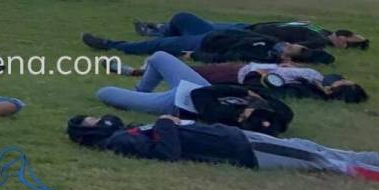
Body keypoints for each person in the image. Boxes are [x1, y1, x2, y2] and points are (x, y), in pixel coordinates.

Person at [66, 114, 379, 187]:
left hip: (237, 138)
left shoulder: (128, 132)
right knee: (324, 164)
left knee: (309, 146)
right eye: (89, 121)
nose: (97, 118)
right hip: (244, 152)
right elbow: (166, 153)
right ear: (90, 134)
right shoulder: (122, 142)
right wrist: (169, 124)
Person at [93, 51, 293, 134]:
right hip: (199, 85)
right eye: (246, 110)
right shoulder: (279, 115)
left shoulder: (223, 117)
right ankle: (140, 90)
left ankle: (137, 97)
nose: (241, 111)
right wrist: (252, 97)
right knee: (159, 56)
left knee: (104, 92)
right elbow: (280, 107)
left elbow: (201, 95)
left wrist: (244, 93)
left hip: (180, 103)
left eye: (242, 116)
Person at [123, 57, 369, 103]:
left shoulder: (306, 89)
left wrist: (264, 74)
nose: (336, 81)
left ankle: (138, 81)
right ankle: (138, 74)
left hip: (238, 75)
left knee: (175, 66)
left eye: (339, 85)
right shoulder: (316, 78)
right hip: (243, 67)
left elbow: (265, 84)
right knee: (186, 66)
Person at [80, 25, 333, 64]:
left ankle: (112, 44)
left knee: (157, 46)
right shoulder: (272, 41)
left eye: (290, 49)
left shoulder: (263, 54)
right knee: (180, 18)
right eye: (290, 44)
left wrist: (196, 54)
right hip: (213, 31)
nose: (286, 45)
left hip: (204, 42)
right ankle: (161, 32)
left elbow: (226, 57)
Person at [129, 12, 367, 50]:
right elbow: (293, 23)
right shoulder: (318, 29)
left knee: (200, 30)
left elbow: (299, 48)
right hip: (248, 26)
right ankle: (160, 29)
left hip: (251, 33)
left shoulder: (318, 40)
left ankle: (158, 32)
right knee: (204, 25)